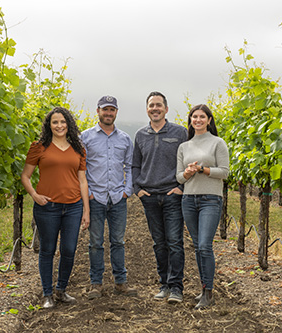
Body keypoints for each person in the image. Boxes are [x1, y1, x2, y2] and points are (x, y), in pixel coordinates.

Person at [21, 106, 90, 309]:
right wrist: (34, 195)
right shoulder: (39, 147)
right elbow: (25, 176)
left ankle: (61, 290)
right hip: (47, 207)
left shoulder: (78, 149)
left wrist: (86, 210)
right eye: (55, 122)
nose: (59, 125)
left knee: (68, 250)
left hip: (73, 207)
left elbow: (83, 181)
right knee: (47, 250)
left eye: (63, 122)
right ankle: (47, 294)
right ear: (49, 125)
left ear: (68, 124)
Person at [132, 91, 187, 304]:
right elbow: (136, 164)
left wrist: (182, 186)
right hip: (150, 197)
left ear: (166, 108)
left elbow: (189, 160)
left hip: (172, 195)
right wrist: (138, 189)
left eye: (158, 105)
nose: (155, 108)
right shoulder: (140, 135)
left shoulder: (180, 132)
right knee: (159, 243)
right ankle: (164, 284)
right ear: (147, 109)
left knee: (174, 242)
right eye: (151, 105)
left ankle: (176, 287)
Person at [81, 95, 137, 299]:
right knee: (95, 242)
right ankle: (96, 284)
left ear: (116, 112)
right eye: (105, 109)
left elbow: (129, 167)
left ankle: (120, 283)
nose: (108, 113)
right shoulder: (85, 137)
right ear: (98, 111)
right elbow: (81, 169)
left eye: (112, 110)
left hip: (117, 198)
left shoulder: (124, 139)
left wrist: (126, 190)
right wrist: (88, 194)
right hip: (95, 198)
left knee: (118, 241)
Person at [176, 104, 229, 310]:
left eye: (201, 117)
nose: (197, 120)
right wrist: (188, 173)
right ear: (190, 120)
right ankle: (203, 288)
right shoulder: (184, 146)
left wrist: (203, 169)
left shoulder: (218, 143)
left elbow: (224, 172)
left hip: (210, 199)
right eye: (194, 116)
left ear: (209, 120)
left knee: (205, 245)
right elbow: (179, 176)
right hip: (188, 199)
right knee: (198, 247)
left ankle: (208, 292)